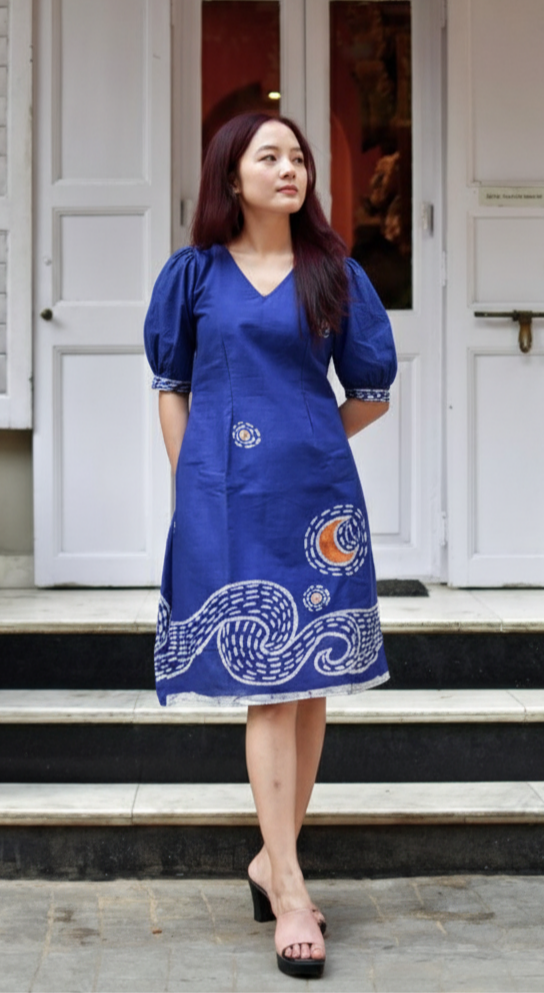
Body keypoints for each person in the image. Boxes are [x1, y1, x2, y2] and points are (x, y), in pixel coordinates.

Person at [143, 112, 397, 979]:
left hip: (316, 505)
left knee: (312, 683)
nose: (290, 169)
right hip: (225, 504)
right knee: (270, 691)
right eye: (270, 156)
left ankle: (271, 860)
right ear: (232, 176)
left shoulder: (335, 273)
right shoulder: (194, 276)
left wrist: (306, 442)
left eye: (299, 158)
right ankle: (289, 889)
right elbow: (172, 386)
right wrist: (194, 483)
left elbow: (370, 392)